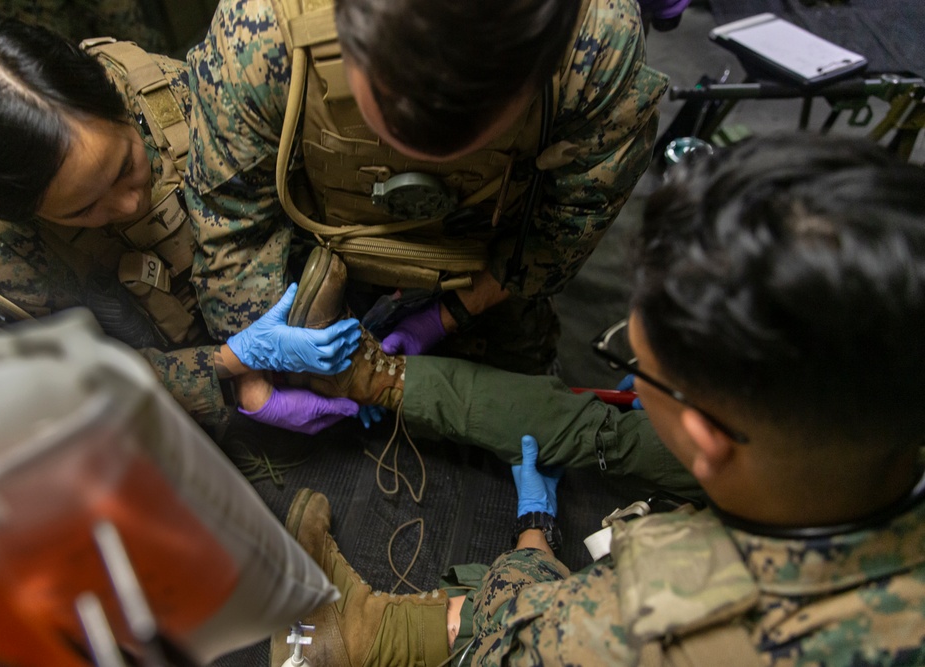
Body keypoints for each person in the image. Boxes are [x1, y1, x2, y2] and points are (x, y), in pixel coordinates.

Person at [270, 134, 925, 665]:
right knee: (608, 433)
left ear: (708, 437)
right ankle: (372, 376)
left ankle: (365, 632)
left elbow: (520, 632)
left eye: (638, 363)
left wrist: (534, 535)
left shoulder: (634, 632)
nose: (631, 382)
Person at [183, 0, 669, 415]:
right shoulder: (258, 33)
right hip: (317, 261)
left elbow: (556, 240)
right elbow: (232, 227)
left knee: (522, 415)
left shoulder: (600, 50)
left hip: (495, 264)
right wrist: (256, 374)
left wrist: (449, 314)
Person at [0, 19, 362, 439]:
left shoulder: (162, 93)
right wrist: (230, 370)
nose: (130, 203)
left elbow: (268, 205)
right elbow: (79, 381)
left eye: (126, 167)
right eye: (84, 209)